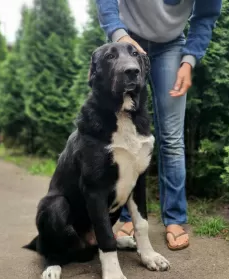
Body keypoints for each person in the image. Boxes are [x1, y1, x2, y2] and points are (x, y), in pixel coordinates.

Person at [95, 0, 222, 250]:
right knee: (124, 138)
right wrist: (120, 35)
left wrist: (189, 60)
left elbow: (205, 16)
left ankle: (174, 219)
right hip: (127, 42)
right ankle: (128, 216)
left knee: (172, 138)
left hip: (172, 46)